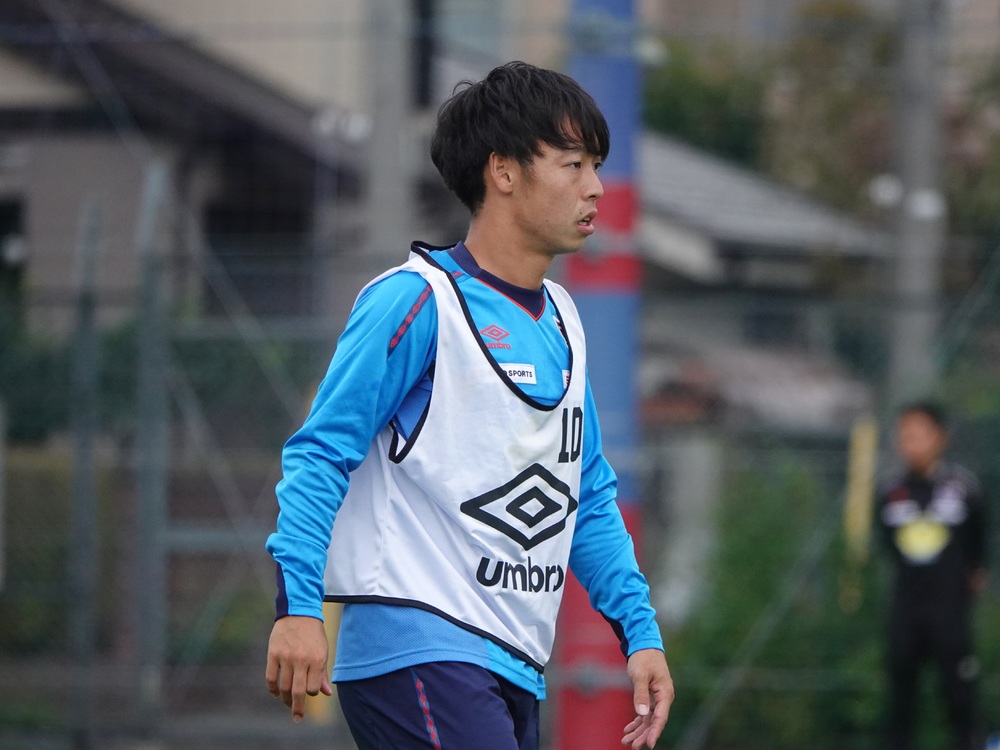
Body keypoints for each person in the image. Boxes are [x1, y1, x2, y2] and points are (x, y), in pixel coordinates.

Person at [264, 61, 673, 750]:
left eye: (597, 166)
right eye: (573, 164)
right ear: (503, 172)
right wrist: (298, 608)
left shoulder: (564, 321)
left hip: (511, 661)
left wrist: (641, 633)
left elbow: (588, 494)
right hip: (417, 653)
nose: (595, 187)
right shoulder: (416, 300)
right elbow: (319, 454)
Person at [877, 400, 989, 750]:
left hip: (950, 613)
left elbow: (978, 552)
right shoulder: (890, 493)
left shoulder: (965, 490)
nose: (911, 443)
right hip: (906, 610)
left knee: (960, 701)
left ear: (940, 437)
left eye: (919, 434)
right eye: (905, 435)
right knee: (900, 704)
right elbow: (887, 546)